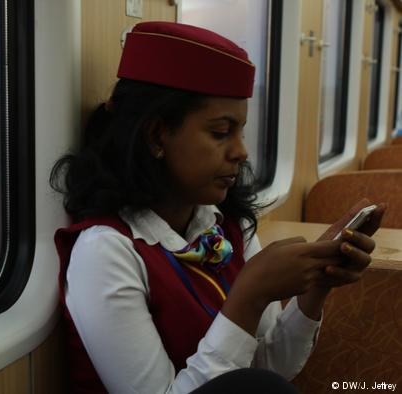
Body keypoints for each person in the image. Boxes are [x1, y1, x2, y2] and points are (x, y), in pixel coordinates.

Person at [50, 21, 386, 394]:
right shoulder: (106, 251)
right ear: (156, 135)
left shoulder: (228, 228)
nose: (241, 152)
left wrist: (316, 287)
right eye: (221, 132)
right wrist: (250, 295)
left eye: (241, 131)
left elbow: (271, 369)